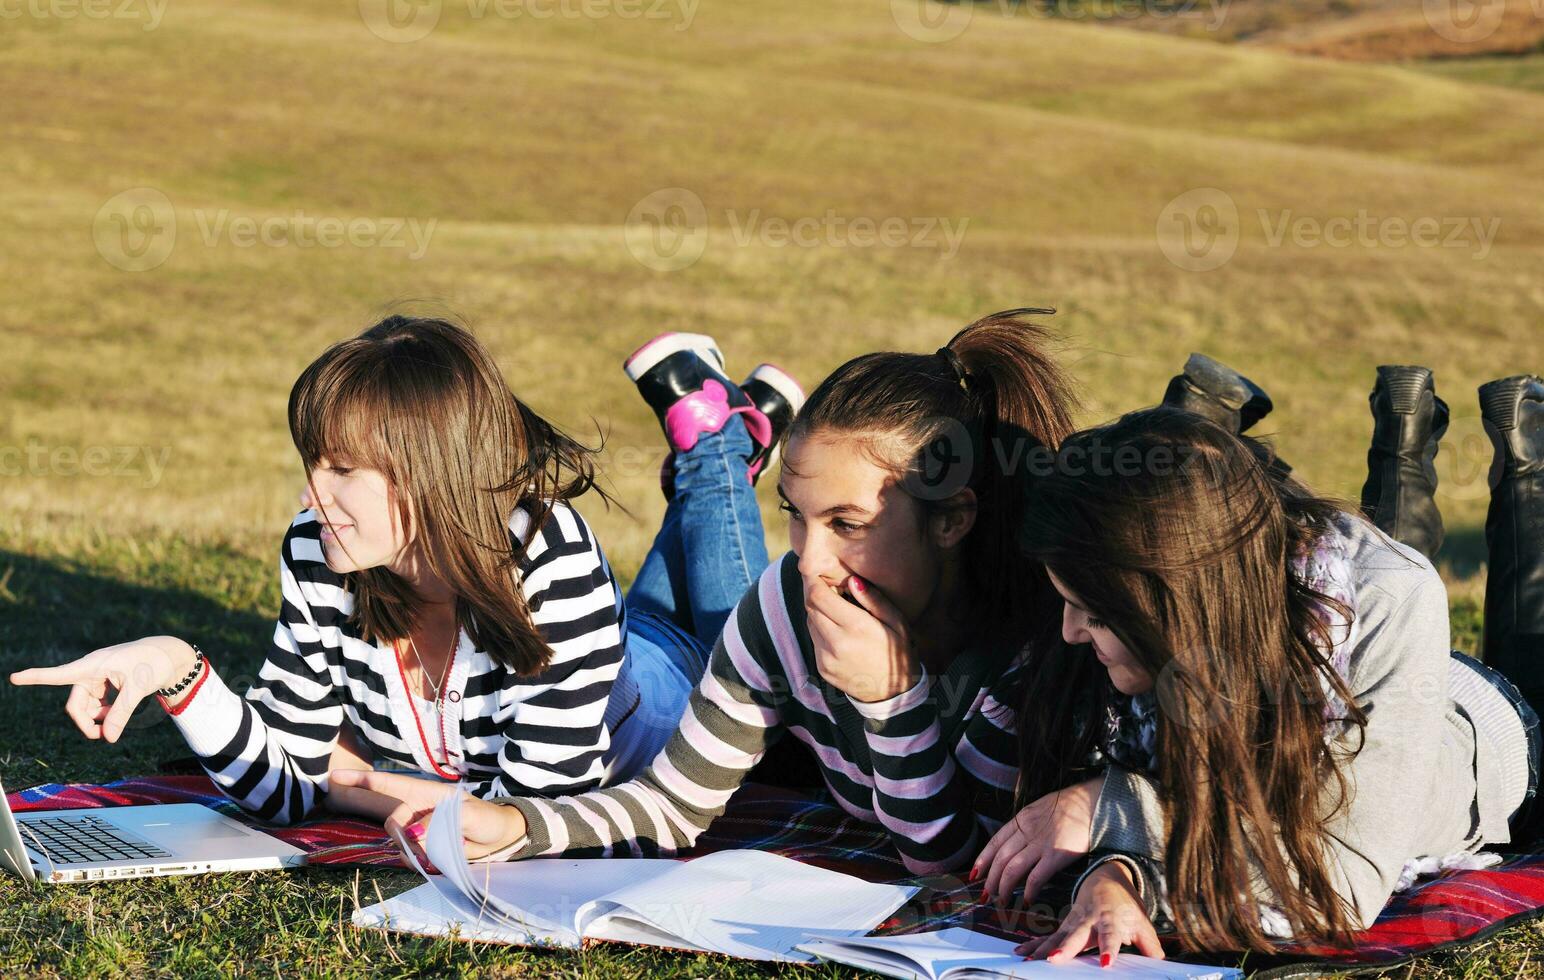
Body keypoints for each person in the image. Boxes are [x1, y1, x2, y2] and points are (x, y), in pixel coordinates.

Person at [331, 308, 1080, 872]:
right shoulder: (785, 605)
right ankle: (726, 443)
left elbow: (951, 866)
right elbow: (673, 804)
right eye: (794, 515)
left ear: (950, 520)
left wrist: (891, 700)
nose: (809, 560)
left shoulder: (1026, 652)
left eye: (847, 522)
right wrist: (522, 825)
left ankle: (719, 441)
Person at [9, 316, 802, 827]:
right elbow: (281, 787)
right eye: (311, 464)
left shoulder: (551, 555)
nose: (310, 495)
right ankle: (725, 432)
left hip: (670, 694)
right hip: (594, 656)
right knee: (667, 595)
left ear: (428, 471)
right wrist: (174, 668)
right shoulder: (322, 551)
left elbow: (538, 816)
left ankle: (719, 445)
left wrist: (349, 781)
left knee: (742, 633)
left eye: (342, 468)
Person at [980, 387, 1541, 964]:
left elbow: (1338, 885)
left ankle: (1521, 451)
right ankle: (1404, 427)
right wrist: (1118, 876)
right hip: (1337, 667)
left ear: (1178, 604)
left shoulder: (1391, 598)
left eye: (1094, 615)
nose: (1069, 633)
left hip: (1485, 734)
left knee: (1508, 617)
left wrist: (1114, 810)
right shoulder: (1158, 605)